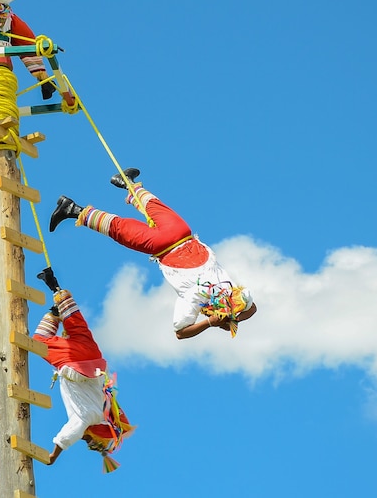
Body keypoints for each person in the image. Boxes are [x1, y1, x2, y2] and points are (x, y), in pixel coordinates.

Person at [48, 168, 259, 340]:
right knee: (120, 229)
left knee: (154, 207)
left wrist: (233, 318)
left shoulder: (229, 290)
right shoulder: (193, 299)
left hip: (182, 233)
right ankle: (73, 210)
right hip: (162, 247)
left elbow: (252, 309)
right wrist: (212, 323)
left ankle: (127, 184)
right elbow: (180, 333)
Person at [32, 267, 134, 472]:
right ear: (95, 432)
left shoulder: (105, 409)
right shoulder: (88, 418)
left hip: (95, 359)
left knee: (77, 326)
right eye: (88, 440)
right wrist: (53, 456)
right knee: (39, 342)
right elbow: (70, 434)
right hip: (74, 365)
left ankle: (56, 290)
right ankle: (54, 307)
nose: (84, 440)